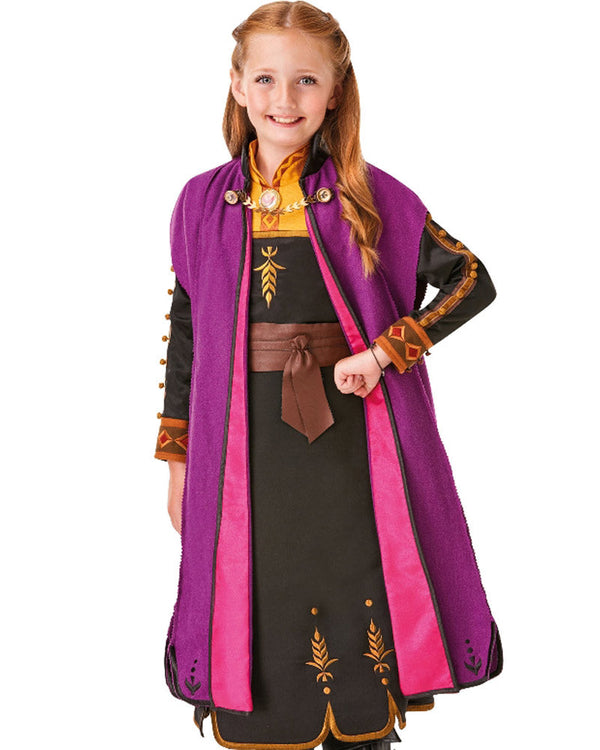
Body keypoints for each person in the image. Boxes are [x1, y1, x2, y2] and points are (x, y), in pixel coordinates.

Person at [154, 2, 502, 748]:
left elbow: (471, 281)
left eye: (306, 80)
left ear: (336, 91)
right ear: (237, 85)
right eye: (266, 79)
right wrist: (179, 462)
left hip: (350, 450)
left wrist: (383, 354)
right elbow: (188, 337)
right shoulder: (201, 204)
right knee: (253, 588)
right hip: (242, 451)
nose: (284, 99)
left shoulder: (370, 195)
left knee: (356, 587)